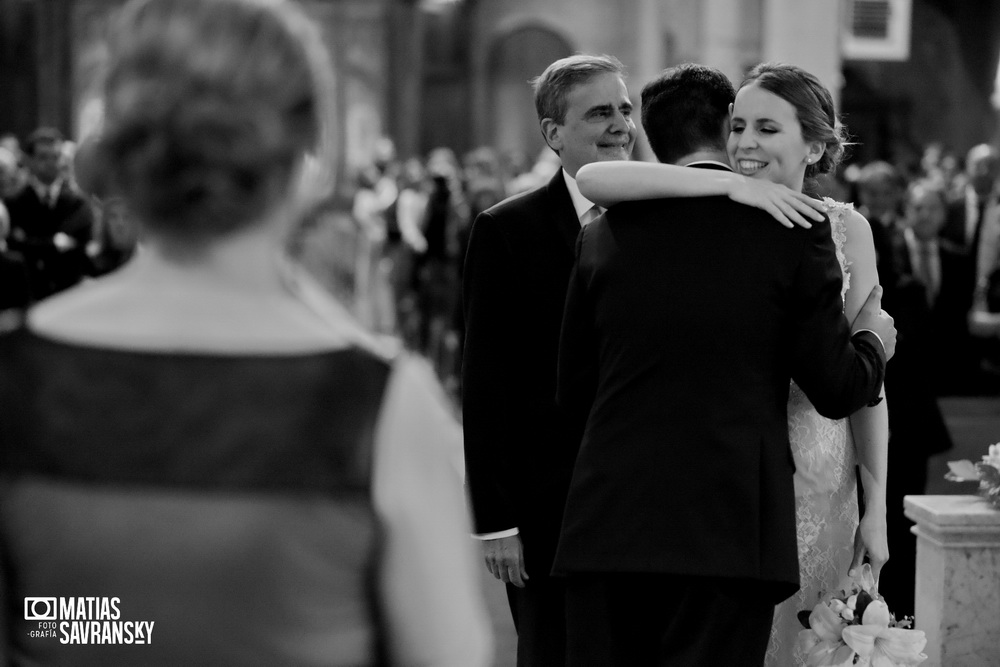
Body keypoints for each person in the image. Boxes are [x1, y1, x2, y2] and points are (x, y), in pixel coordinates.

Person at [0, 1, 492, 665]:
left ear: (120, 155)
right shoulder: (383, 405)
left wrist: (111, 625)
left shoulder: (17, 373)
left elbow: (67, 624)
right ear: (301, 164)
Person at [557, 63, 895, 666]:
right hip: (729, 525)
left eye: (765, 127)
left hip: (607, 523)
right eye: (738, 126)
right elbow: (838, 388)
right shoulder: (798, 233)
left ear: (815, 145)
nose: (745, 143)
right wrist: (872, 339)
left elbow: (575, 389)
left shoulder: (604, 231)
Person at [5, 127, 94, 300]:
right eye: (43, 157)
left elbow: (80, 249)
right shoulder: (14, 202)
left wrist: (31, 242)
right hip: (29, 292)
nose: (51, 163)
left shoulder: (78, 203)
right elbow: (15, 248)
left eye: (56, 157)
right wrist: (54, 244)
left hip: (68, 293)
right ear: (30, 160)